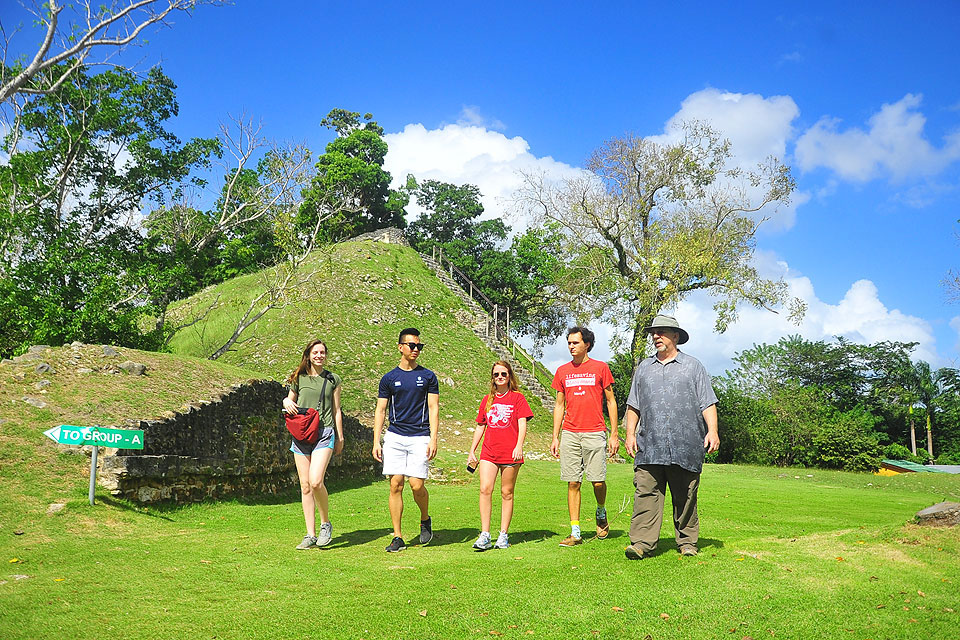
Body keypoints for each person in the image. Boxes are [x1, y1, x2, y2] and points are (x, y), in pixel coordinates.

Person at [623, 314, 719, 560]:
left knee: (685, 495)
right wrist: (630, 434)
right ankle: (642, 544)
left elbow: (707, 402)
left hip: (685, 444)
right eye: (654, 332)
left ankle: (687, 542)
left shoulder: (693, 366)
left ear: (675, 336)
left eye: (662, 332)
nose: (656, 336)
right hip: (649, 444)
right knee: (646, 492)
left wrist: (713, 431)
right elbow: (634, 405)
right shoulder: (644, 368)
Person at [372, 328, 440, 552]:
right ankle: (398, 536)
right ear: (400, 347)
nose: (416, 349)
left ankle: (424, 519)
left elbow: (433, 407)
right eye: (412, 345)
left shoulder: (428, 376)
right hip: (395, 436)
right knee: (395, 484)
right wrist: (376, 441)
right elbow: (381, 410)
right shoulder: (389, 378)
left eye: (419, 346)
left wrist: (433, 438)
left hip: (420, 435)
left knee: (416, 485)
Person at [550, 326, 619, 547]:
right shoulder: (562, 371)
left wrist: (614, 434)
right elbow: (559, 405)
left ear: (586, 344)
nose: (571, 346)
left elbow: (611, 401)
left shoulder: (600, 368)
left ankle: (601, 511)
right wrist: (555, 437)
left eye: (575, 343)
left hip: (595, 432)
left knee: (597, 482)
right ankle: (575, 532)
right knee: (573, 482)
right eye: (569, 343)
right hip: (570, 432)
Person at [282, 339, 344, 550]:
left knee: (316, 481)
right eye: (315, 352)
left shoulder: (333, 379)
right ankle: (310, 534)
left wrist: (340, 436)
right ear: (308, 355)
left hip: (324, 432)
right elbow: (289, 400)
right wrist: (286, 402)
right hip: (301, 434)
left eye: (322, 352)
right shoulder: (299, 378)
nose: (319, 355)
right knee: (305, 485)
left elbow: (336, 410)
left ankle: (325, 524)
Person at [467, 360, 533, 551]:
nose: (500, 377)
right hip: (489, 451)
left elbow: (522, 423)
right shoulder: (488, 399)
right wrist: (472, 449)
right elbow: (481, 425)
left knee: (506, 492)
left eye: (503, 374)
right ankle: (485, 534)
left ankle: (503, 534)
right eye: (496, 375)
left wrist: (519, 445)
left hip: (511, 453)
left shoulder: (518, 398)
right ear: (493, 378)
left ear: (509, 376)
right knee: (485, 489)